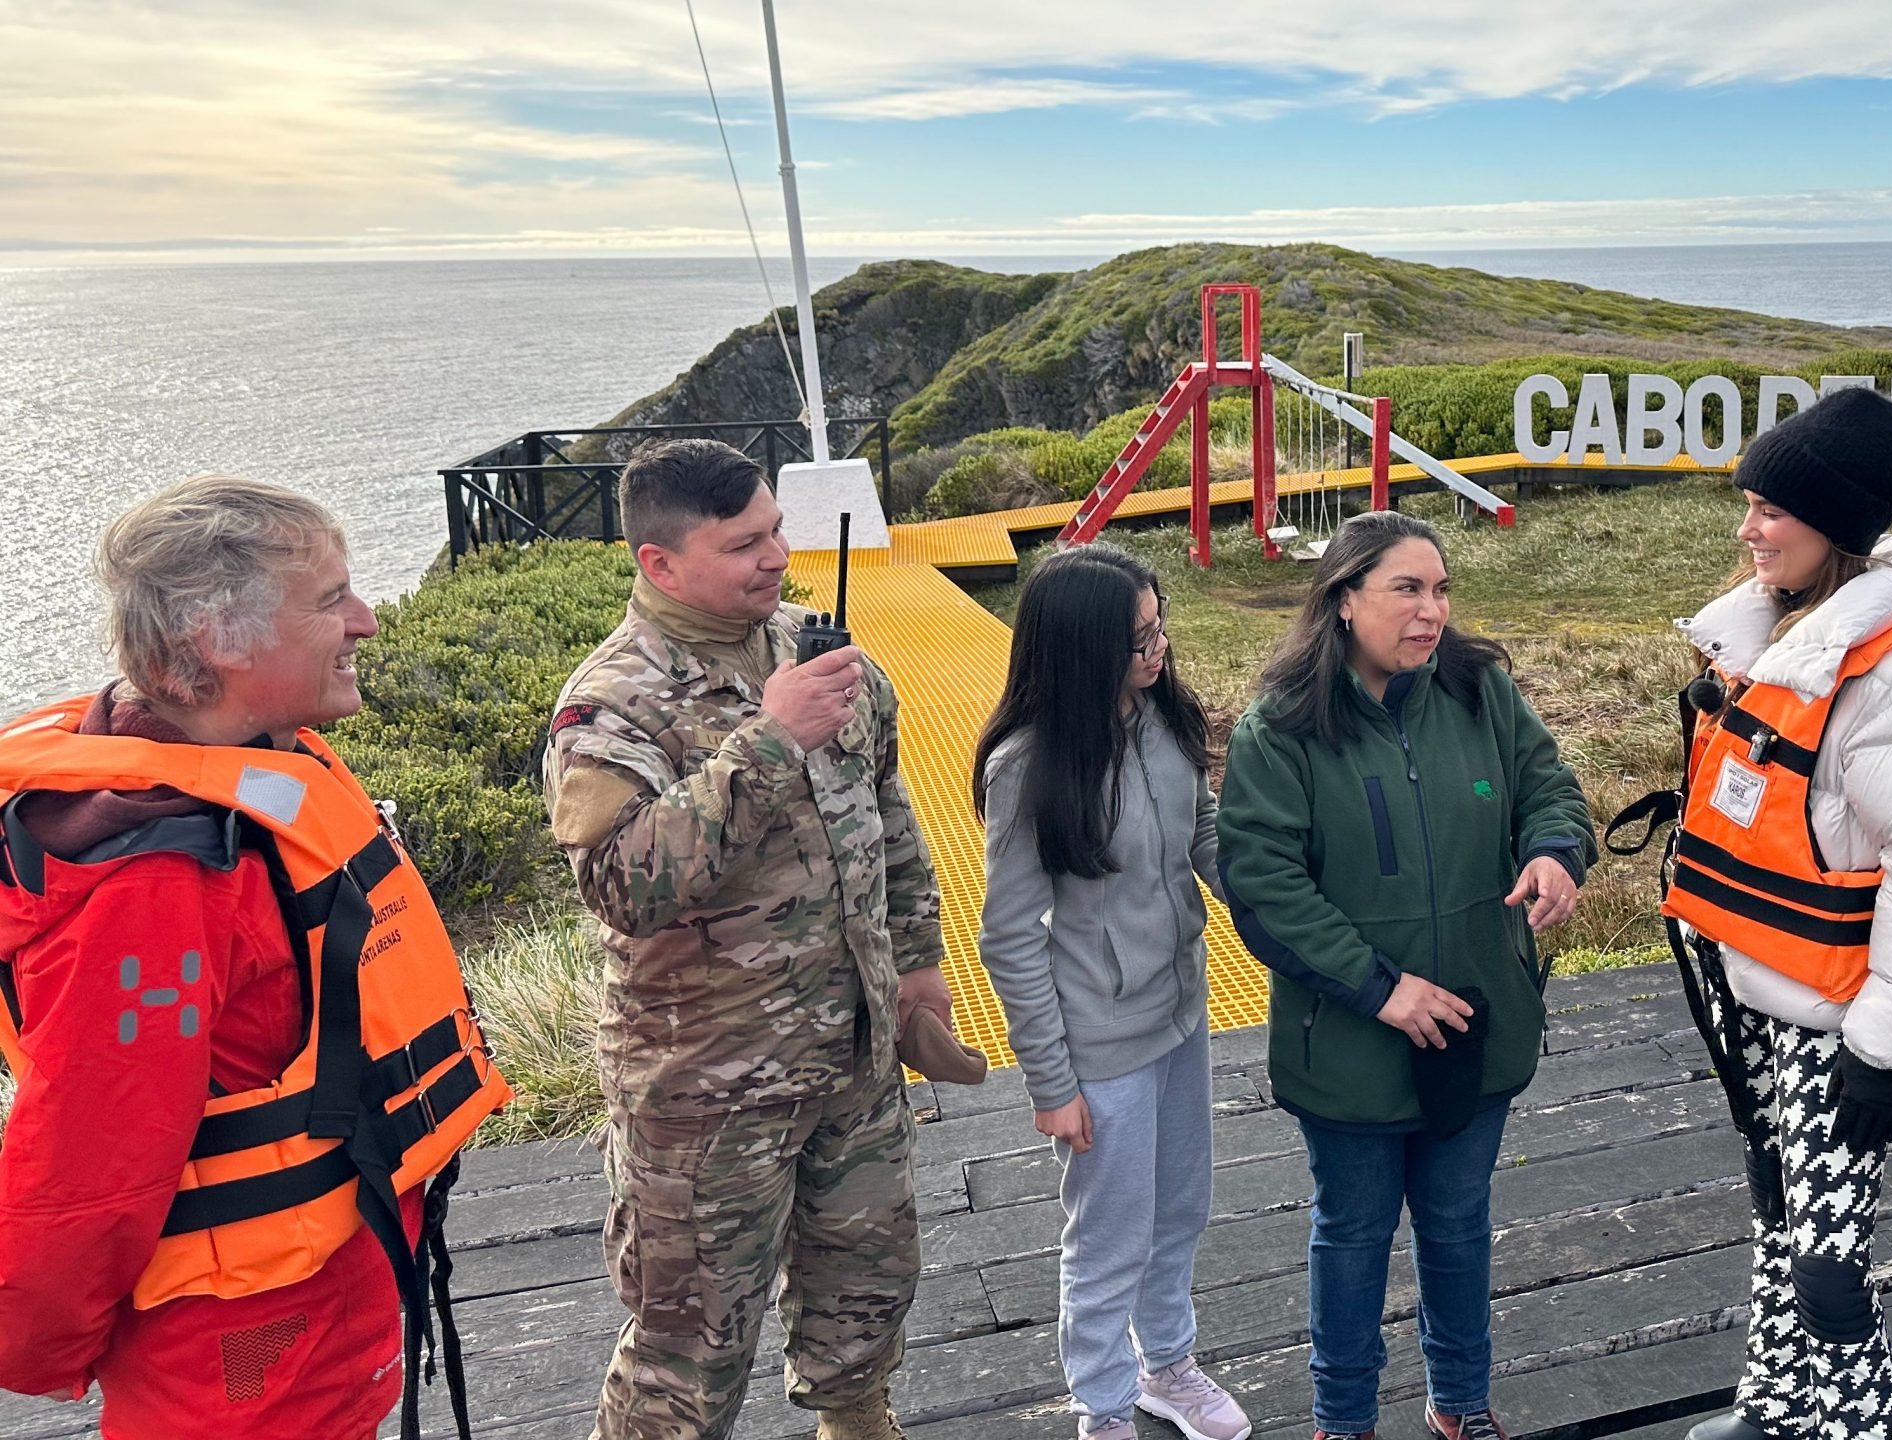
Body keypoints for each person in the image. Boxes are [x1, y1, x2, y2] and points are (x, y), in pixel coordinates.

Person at [0, 475, 512, 1440]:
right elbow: (91, 1156)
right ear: (217, 644)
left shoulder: (265, 762)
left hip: (328, 1285)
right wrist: (34, 1345)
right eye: (330, 600)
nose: (365, 620)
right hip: (244, 1345)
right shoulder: (154, 882)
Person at [542, 439, 952, 1440]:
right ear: (660, 564)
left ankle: (858, 1423)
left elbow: (888, 814)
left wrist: (920, 961)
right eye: (743, 545)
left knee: (866, 1290)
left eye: (774, 532)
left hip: (850, 1056)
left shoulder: (813, 647)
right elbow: (622, 886)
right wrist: (770, 742)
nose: (775, 557)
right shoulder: (610, 703)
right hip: (707, 1090)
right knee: (691, 1348)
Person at [1217, 508, 1595, 1440]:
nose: (1432, 611)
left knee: (1460, 1225)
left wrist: (1553, 851)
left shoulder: (1478, 691)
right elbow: (1265, 888)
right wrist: (1382, 987)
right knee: (1351, 1237)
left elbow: (1548, 783)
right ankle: (1342, 1421)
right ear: (1344, 601)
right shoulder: (1280, 729)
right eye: (1407, 589)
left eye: (1441, 589)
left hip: (1480, 1019)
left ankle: (1461, 1404)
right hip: (1348, 1043)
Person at [1666, 387, 1892, 1440]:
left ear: (1837, 528)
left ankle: (1862, 1428)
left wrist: (1884, 1052)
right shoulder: (1775, 644)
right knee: (1777, 1209)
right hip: (1754, 980)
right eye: (1748, 503)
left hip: (1835, 1016)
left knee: (1827, 1261)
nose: (1746, 529)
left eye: (1771, 510)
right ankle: (1773, 1410)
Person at [972, 544, 1251, 1440]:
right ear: (1081, 648)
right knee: (1107, 1238)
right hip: (1099, 1039)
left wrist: (1267, 897)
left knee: (1181, 1209)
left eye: (1160, 623)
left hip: (1181, 1011)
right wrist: (1052, 1086)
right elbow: (1008, 936)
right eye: (1138, 638)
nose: (1158, 647)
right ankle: (1102, 1409)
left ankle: (1167, 1366)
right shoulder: (1028, 765)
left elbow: (1201, 830)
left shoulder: (1165, 718)